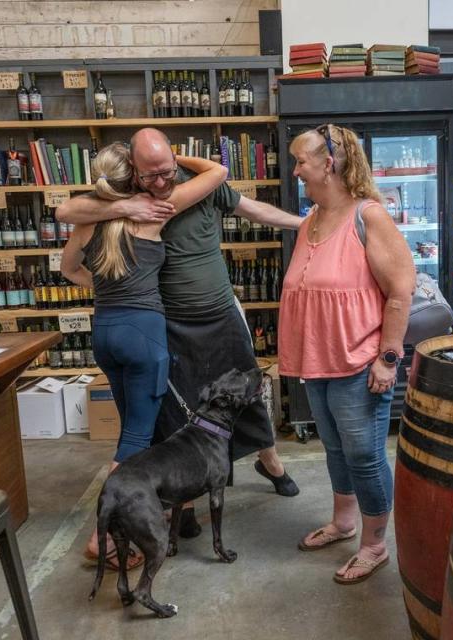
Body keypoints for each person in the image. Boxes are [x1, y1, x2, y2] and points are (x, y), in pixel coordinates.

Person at [57, 128, 303, 527]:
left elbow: (253, 209)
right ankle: (184, 500)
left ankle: (270, 463)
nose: (160, 183)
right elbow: (67, 212)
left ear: (175, 160)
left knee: (248, 397)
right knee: (176, 414)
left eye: (166, 171)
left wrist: (303, 224)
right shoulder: (135, 205)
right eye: (150, 176)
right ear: (132, 173)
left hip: (221, 313)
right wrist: (125, 208)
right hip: (170, 323)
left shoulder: (189, 190)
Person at [60, 142, 229, 569]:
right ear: (133, 177)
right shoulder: (157, 209)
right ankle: (104, 537)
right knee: (133, 444)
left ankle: (153, 508)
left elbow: (67, 268)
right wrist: (176, 157)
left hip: (106, 332)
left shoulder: (87, 220)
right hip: (144, 336)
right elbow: (217, 173)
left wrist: (104, 286)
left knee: (132, 431)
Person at [278, 124, 414, 584]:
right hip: (317, 361)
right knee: (334, 448)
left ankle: (375, 546)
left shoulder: (368, 216)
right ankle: (343, 523)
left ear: (328, 164)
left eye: (301, 161)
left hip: (360, 362)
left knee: (365, 455)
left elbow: (400, 289)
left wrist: (388, 357)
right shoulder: (311, 221)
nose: (296, 170)